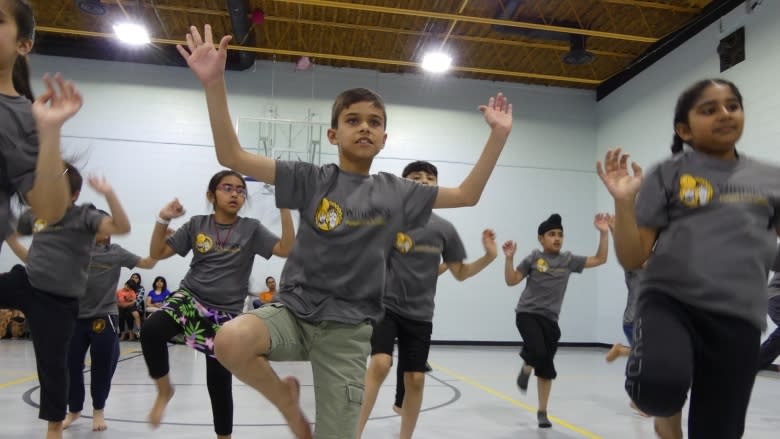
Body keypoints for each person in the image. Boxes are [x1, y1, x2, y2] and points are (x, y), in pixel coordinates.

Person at [176, 24, 512, 439]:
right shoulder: (310, 179)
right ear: (334, 134)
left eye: (374, 122)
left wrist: (498, 136)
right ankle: (284, 398)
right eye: (353, 120)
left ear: (384, 138)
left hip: (349, 332)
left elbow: (466, 194)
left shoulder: (397, 191)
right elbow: (232, 154)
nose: (365, 127)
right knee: (229, 340)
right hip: (293, 314)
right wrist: (214, 83)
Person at [597, 79, 780, 439]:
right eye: (709, 109)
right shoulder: (667, 176)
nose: (725, 114)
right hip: (671, 302)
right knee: (659, 390)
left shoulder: (769, 180)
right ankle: (662, 403)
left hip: (738, 313)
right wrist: (624, 202)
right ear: (685, 129)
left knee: (719, 431)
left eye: (733, 105)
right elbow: (634, 256)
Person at [140, 170, 294, 439]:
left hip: (226, 316)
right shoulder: (197, 224)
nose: (235, 193)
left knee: (219, 381)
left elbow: (286, 248)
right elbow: (157, 254)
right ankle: (165, 389)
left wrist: (284, 208)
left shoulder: (251, 228)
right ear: (211, 195)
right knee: (152, 331)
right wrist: (162, 219)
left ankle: (224, 436)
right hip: (190, 298)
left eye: (240, 190)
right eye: (227, 188)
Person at [356, 160, 498, 439]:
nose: (423, 181)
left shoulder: (445, 229)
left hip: (420, 315)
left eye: (429, 178)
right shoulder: (387, 220)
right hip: (385, 307)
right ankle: (353, 433)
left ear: (437, 186)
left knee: (416, 379)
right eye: (415, 177)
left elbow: (460, 272)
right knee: (381, 364)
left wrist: (489, 257)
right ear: (404, 186)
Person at [0, 163, 130, 439]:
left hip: (56, 301)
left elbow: (121, 226)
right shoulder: (38, 215)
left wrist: (108, 193)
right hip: (26, 282)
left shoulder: (85, 217)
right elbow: (13, 232)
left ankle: (54, 427)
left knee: (53, 364)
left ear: (74, 195)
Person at [503, 212, 609, 428]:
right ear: (541, 238)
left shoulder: (568, 260)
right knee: (538, 351)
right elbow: (512, 280)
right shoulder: (534, 258)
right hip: (527, 314)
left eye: (560, 234)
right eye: (552, 234)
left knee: (546, 368)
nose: (557, 238)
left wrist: (604, 234)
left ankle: (542, 411)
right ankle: (526, 365)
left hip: (550, 321)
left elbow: (600, 259)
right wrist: (509, 258)